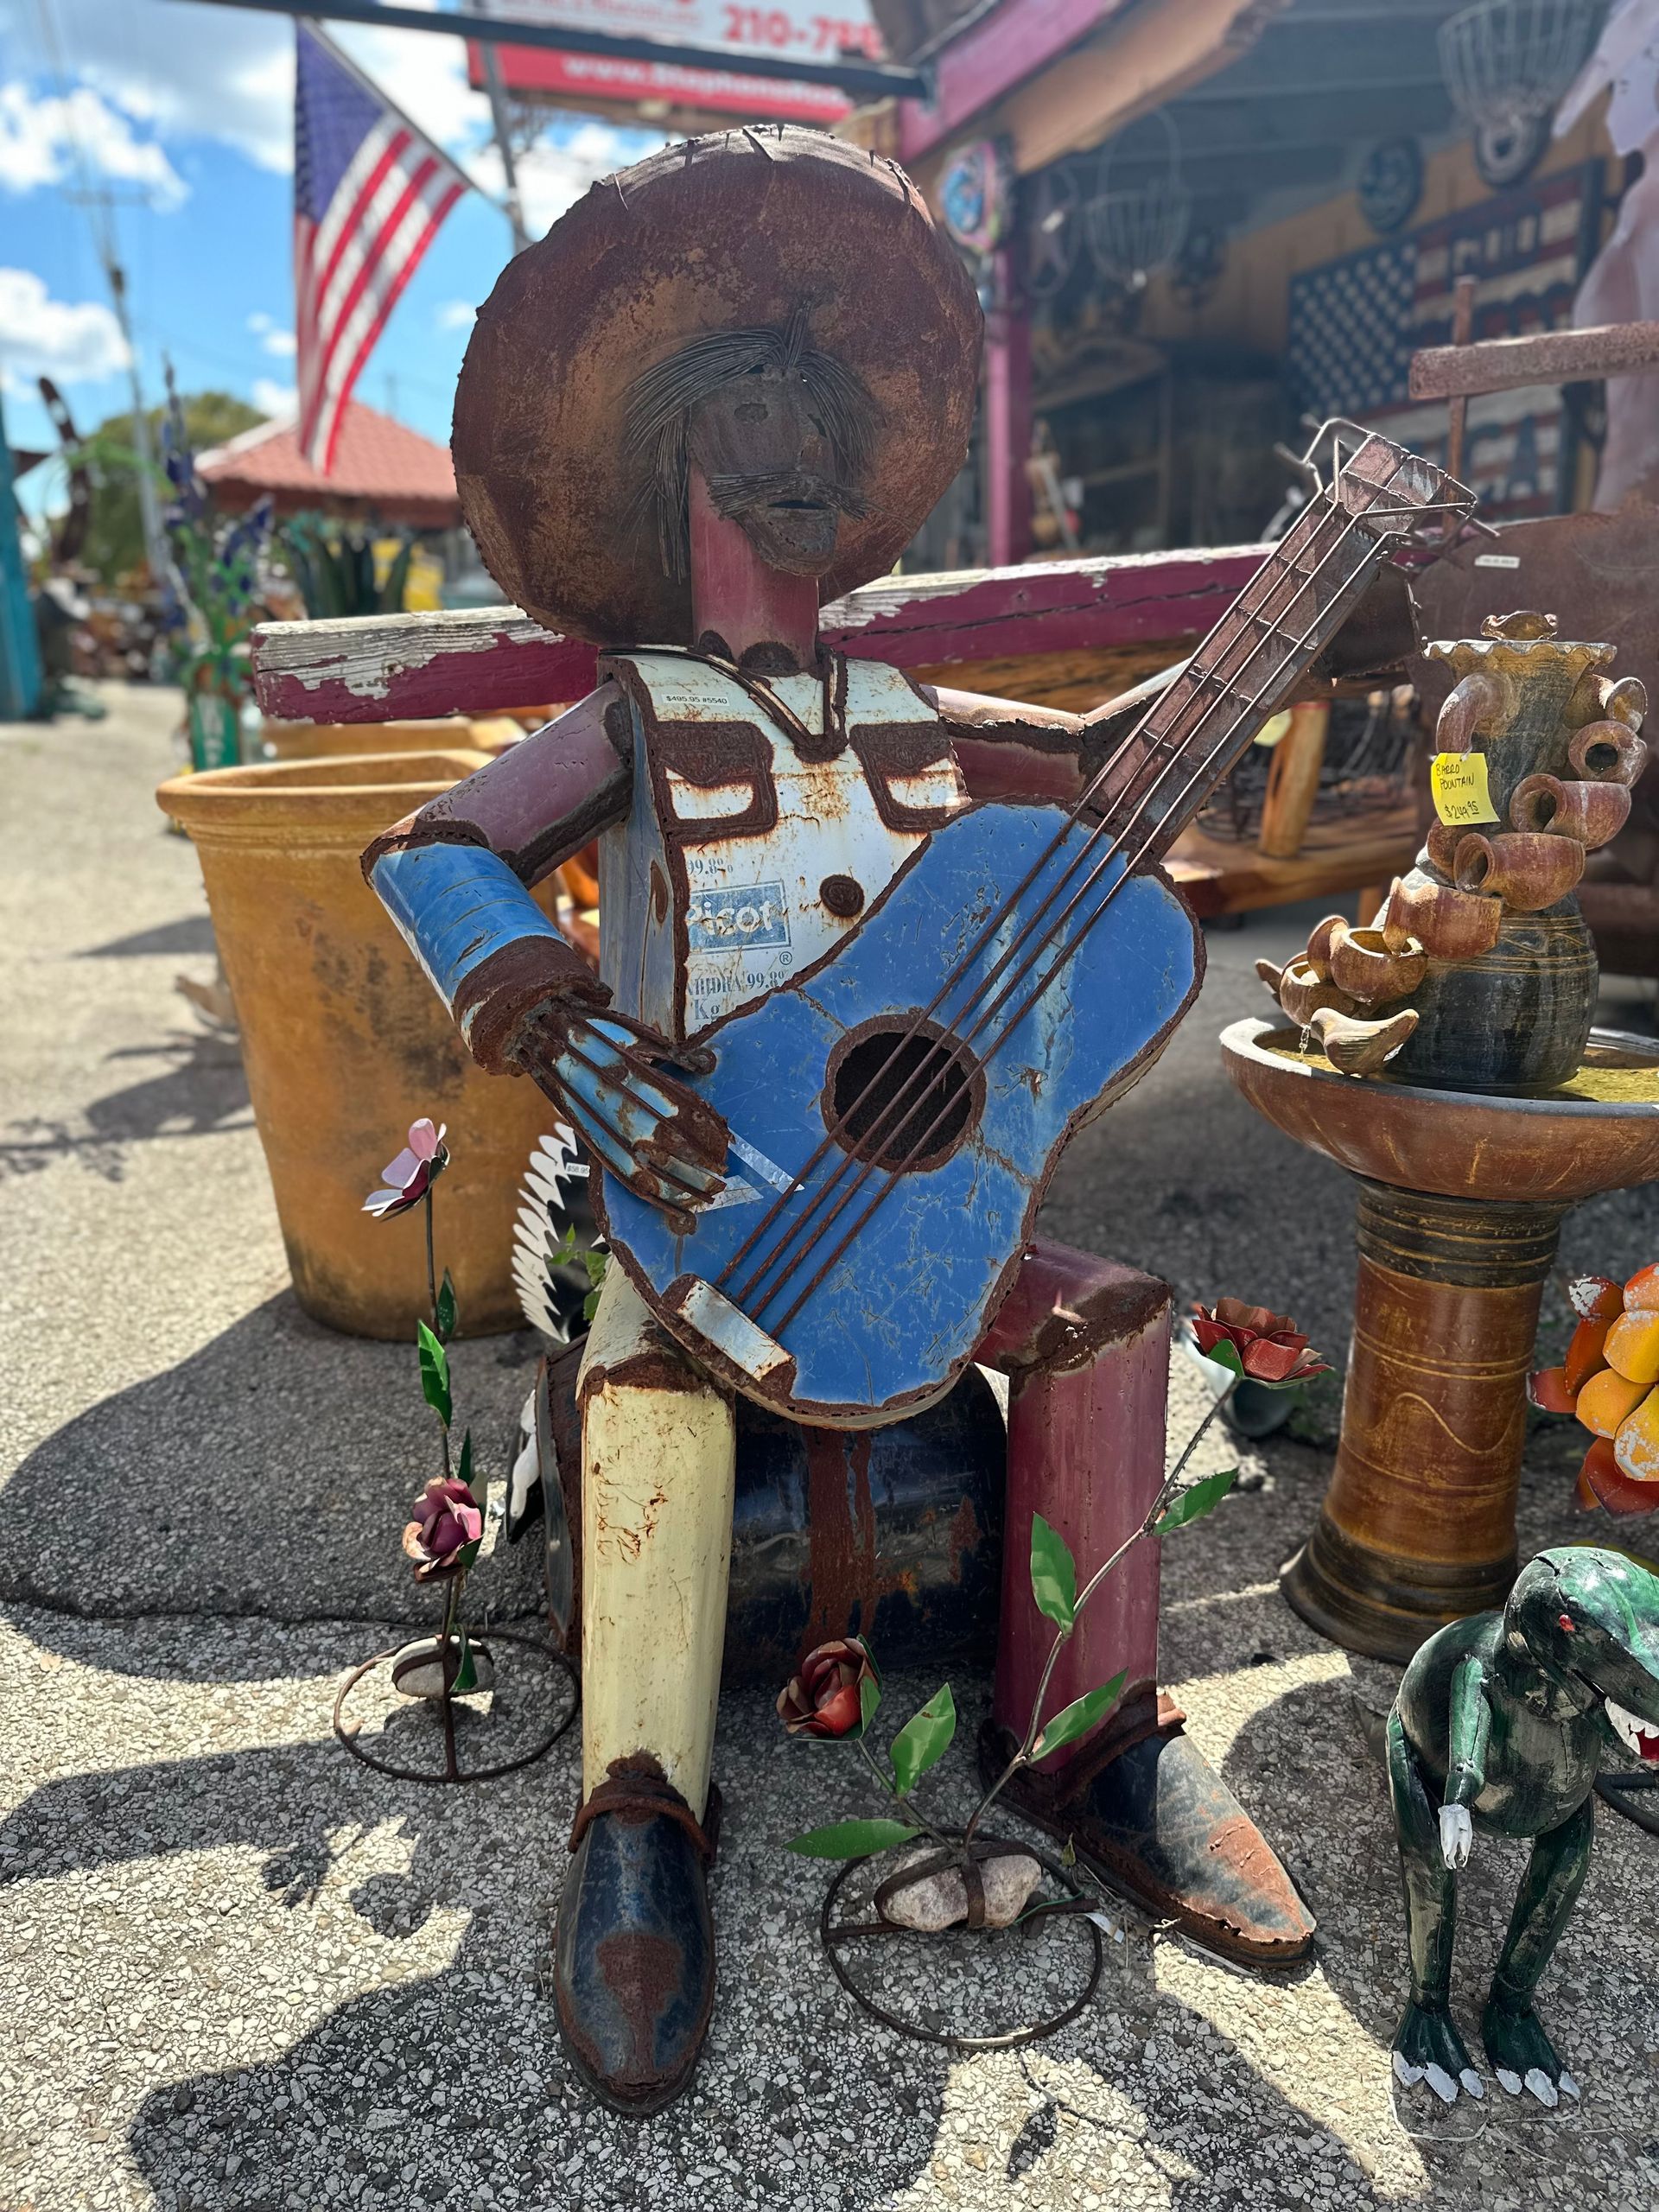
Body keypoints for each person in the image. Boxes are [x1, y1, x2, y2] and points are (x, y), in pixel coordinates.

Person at [365, 127, 1312, 2114]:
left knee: (1112, 1310)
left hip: (912, 1210)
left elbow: (1103, 773)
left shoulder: (905, 711)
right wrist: (554, 1014)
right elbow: (437, 844)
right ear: (675, 464)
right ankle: (640, 1808)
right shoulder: (630, 711)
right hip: (692, 1201)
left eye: (820, 413)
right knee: (648, 1394)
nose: (791, 445)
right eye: (745, 412)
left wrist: (1292, 643)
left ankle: (1092, 1723)